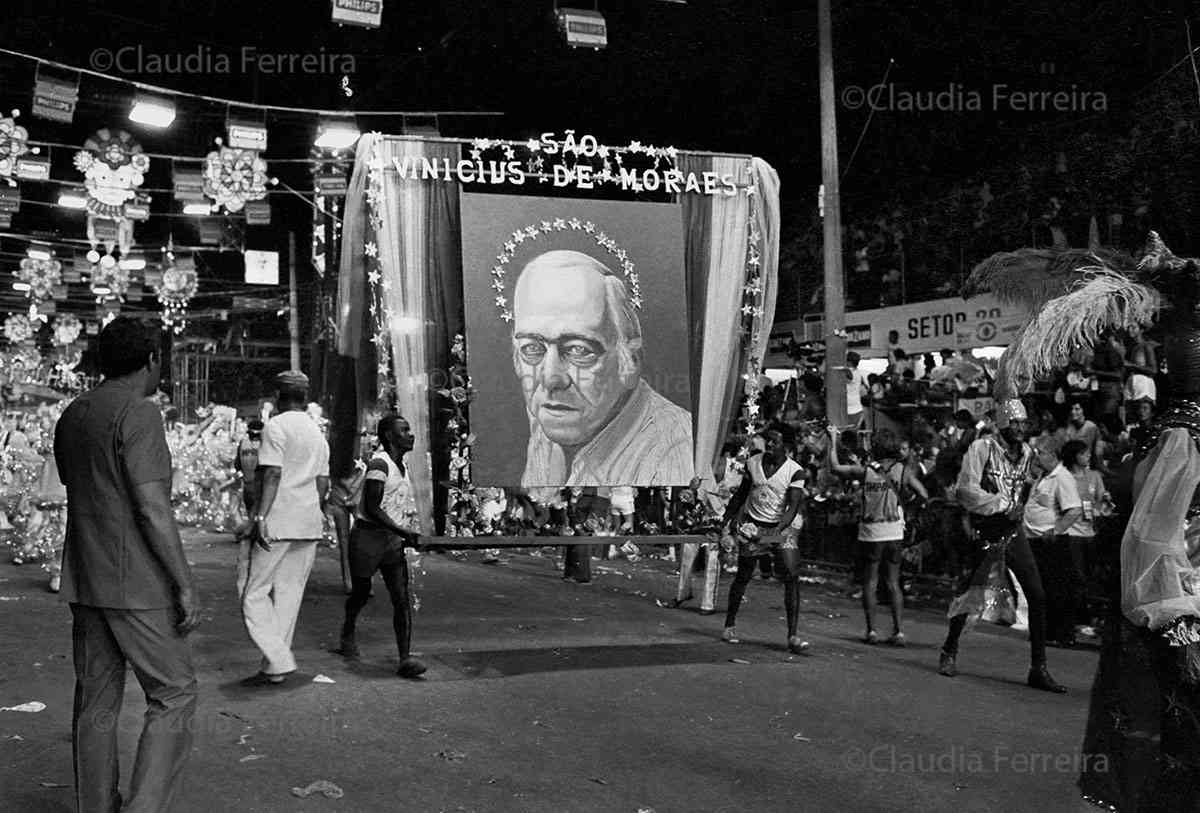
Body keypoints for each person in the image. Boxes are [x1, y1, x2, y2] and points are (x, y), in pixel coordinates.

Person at [54, 316, 200, 813]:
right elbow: (152, 506)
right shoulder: (140, 413)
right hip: (136, 584)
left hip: (85, 578)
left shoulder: (74, 413)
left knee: (95, 701)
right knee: (174, 692)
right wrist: (183, 583)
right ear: (153, 359)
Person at [511, 249, 693, 487]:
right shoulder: (551, 416)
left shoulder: (671, 453)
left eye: (579, 350)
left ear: (630, 362)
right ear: (516, 357)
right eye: (532, 348)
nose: (550, 378)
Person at [938, 398, 1067, 693]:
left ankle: (1039, 667)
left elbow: (1027, 483)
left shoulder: (1026, 454)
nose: (1021, 428)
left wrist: (1021, 504)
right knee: (969, 595)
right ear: (1004, 424)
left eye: (1024, 423)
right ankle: (949, 649)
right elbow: (965, 490)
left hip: (1013, 532)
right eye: (1016, 423)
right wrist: (1001, 504)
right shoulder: (982, 448)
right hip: (986, 531)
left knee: (1037, 594)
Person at [237, 370, 330, 685]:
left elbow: (272, 475)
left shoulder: (275, 427)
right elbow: (322, 482)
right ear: (304, 397)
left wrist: (260, 517)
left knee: (253, 592)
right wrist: (310, 511)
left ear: (277, 395)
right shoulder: (317, 432)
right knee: (289, 594)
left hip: (278, 520)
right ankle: (274, 666)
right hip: (308, 522)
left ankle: (279, 658)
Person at [336, 414, 427, 678]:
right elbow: (372, 508)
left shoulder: (402, 466)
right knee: (361, 594)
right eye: (404, 430)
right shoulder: (380, 463)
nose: (411, 434)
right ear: (389, 435)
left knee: (401, 599)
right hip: (367, 540)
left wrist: (403, 532)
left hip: (391, 543)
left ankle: (405, 658)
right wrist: (402, 530)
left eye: (410, 430)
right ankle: (348, 631)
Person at [829, 427, 928, 645]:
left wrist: (833, 439)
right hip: (894, 531)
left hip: (871, 532)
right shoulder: (902, 470)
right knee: (893, 582)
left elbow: (835, 468)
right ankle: (898, 631)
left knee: (870, 580)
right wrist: (908, 509)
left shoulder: (866, 470)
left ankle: (872, 630)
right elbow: (924, 494)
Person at [720, 425, 810, 654]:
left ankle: (793, 635)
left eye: (775, 442)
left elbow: (792, 509)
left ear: (786, 446)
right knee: (744, 574)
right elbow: (741, 494)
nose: (770, 445)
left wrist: (771, 535)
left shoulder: (796, 471)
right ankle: (729, 625)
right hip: (753, 525)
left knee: (791, 575)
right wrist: (725, 522)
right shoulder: (753, 463)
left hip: (781, 528)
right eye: (768, 440)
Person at [1023, 440, 1083, 648]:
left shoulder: (1062, 477)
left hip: (1051, 542)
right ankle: (1045, 631)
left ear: (1053, 456)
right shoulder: (1043, 477)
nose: (1037, 457)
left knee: (1057, 588)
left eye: (1041, 453)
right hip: (1035, 540)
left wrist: (1055, 530)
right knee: (1042, 588)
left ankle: (1061, 633)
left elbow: (1074, 509)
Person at [1062, 439, 1111, 642]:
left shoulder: (1095, 476)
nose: (1087, 456)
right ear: (1074, 456)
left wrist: (1105, 501)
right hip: (1070, 534)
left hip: (1090, 534)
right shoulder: (1064, 478)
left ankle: (1084, 620)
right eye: (1083, 453)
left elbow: (1101, 501)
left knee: (1089, 579)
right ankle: (1069, 624)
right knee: (1075, 578)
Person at [840, 351, 868, 428]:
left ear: (848, 362)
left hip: (850, 411)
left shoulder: (849, 373)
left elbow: (849, 376)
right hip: (857, 409)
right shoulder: (858, 373)